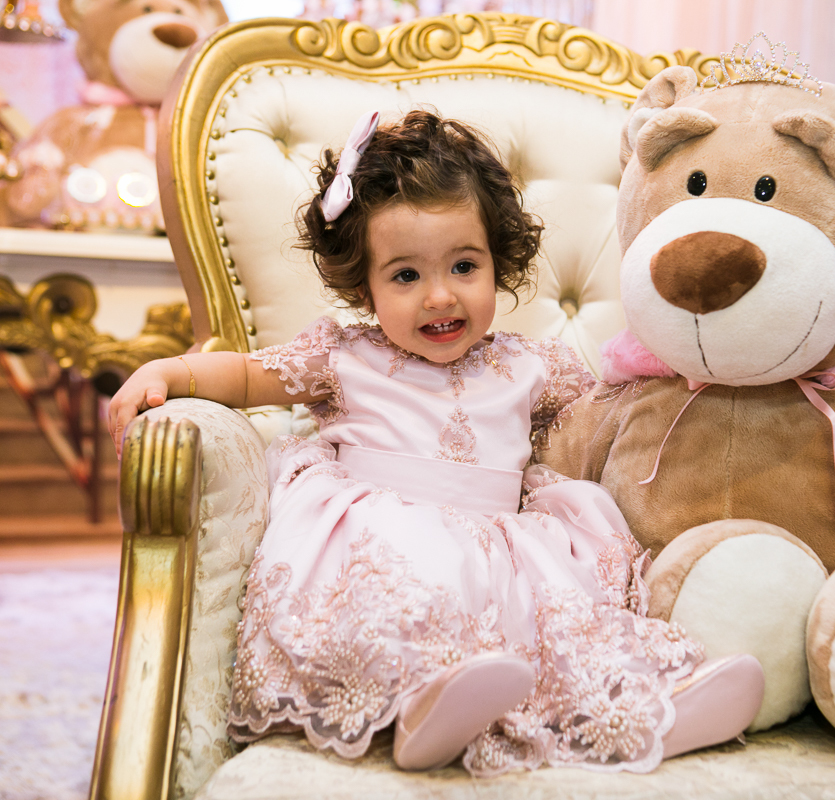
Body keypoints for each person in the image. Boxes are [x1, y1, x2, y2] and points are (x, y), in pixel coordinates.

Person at [106, 108, 764, 776]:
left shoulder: (531, 365)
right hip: (383, 535)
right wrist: (171, 372)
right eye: (406, 276)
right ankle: (419, 706)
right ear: (364, 285)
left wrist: (676, 378)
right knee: (406, 586)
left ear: (497, 261)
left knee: (556, 618)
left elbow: (606, 417)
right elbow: (249, 374)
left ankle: (638, 707)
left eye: (464, 266)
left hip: (499, 550)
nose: (440, 296)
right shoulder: (345, 356)